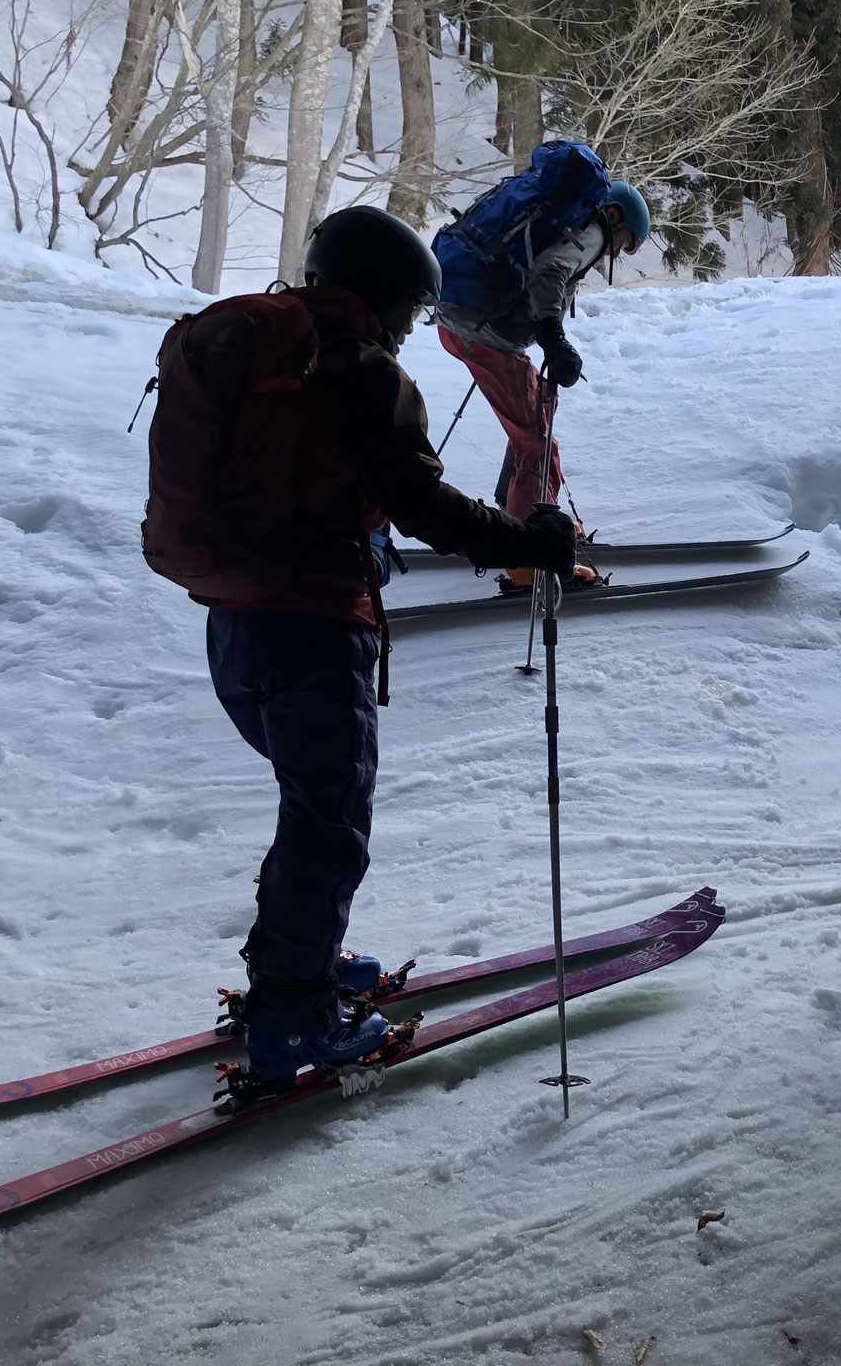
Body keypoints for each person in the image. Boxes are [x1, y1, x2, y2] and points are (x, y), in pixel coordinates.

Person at [147, 206, 579, 1092]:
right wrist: (529, 540)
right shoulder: (358, 369)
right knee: (330, 826)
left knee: (310, 810)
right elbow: (423, 507)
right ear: (385, 300)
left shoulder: (271, 347)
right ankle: (297, 1019)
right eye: (414, 316)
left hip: (233, 625)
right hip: (311, 625)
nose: (413, 332)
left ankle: (296, 966)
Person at [435, 166, 653, 586]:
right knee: (536, 440)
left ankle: (526, 512)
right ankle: (527, 556)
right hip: (487, 336)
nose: (615, 251)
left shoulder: (561, 219)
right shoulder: (591, 229)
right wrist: (553, 337)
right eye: (624, 242)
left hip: (464, 325)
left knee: (536, 414)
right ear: (614, 217)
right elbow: (550, 273)